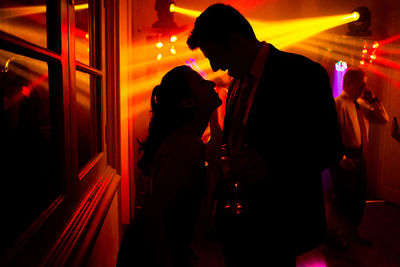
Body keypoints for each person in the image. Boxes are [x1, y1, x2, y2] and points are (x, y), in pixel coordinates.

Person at [187, 4, 343, 266]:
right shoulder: (237, 81)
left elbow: (330, 147)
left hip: (280, 224)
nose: (215, 67)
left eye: (214, 55)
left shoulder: (303, 73)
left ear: (236, 41)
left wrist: (270, 166)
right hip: (237, 225)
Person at [116, 65, 222, 267]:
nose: (211, 82)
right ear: (187, 102)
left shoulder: (185, 140)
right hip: (150, 254)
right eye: (200, 83)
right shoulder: (187, 146)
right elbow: (154, 214)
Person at [329, 67, 389, 247]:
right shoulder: (337, 104)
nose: (365, 87)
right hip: (344, 157)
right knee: (342, 197)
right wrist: (341, 159)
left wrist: (375, 100)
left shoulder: (362, 104)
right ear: (348, 83)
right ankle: (335, 235)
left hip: (360, 156)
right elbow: (331, 135)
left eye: (366, 83)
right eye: (362, 83)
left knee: (358, 197)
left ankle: (351, 231)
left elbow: (384, 119)